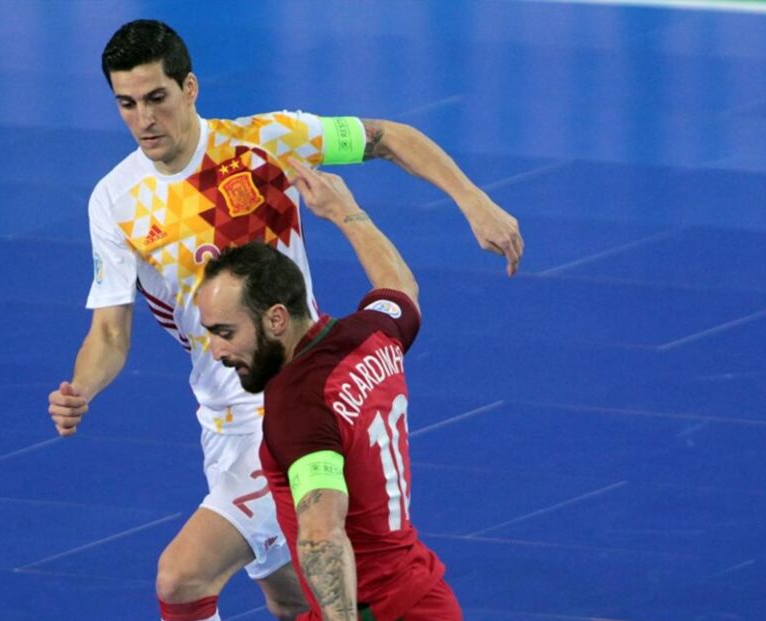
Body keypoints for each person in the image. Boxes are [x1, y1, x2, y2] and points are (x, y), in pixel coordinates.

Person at [46, 18, 518, 621]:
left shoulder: (266, 141)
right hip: (218, 419)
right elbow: (110, 332)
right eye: (127, 104)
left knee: (182, 578)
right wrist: (82, 387)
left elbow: (390, 137)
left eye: (157, 98)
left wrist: (474, 201)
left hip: (287, 405)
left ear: (190, 88)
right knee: (291, 597)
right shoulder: (114, 201)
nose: (144, 120)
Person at [198, 161, 461, 620]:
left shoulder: (298, 404)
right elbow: (401, 288)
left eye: (225, 331)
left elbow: (321, 534)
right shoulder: (370, 334)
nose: (216, 350)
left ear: (276, 319)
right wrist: (347, 212)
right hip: (424, 594)